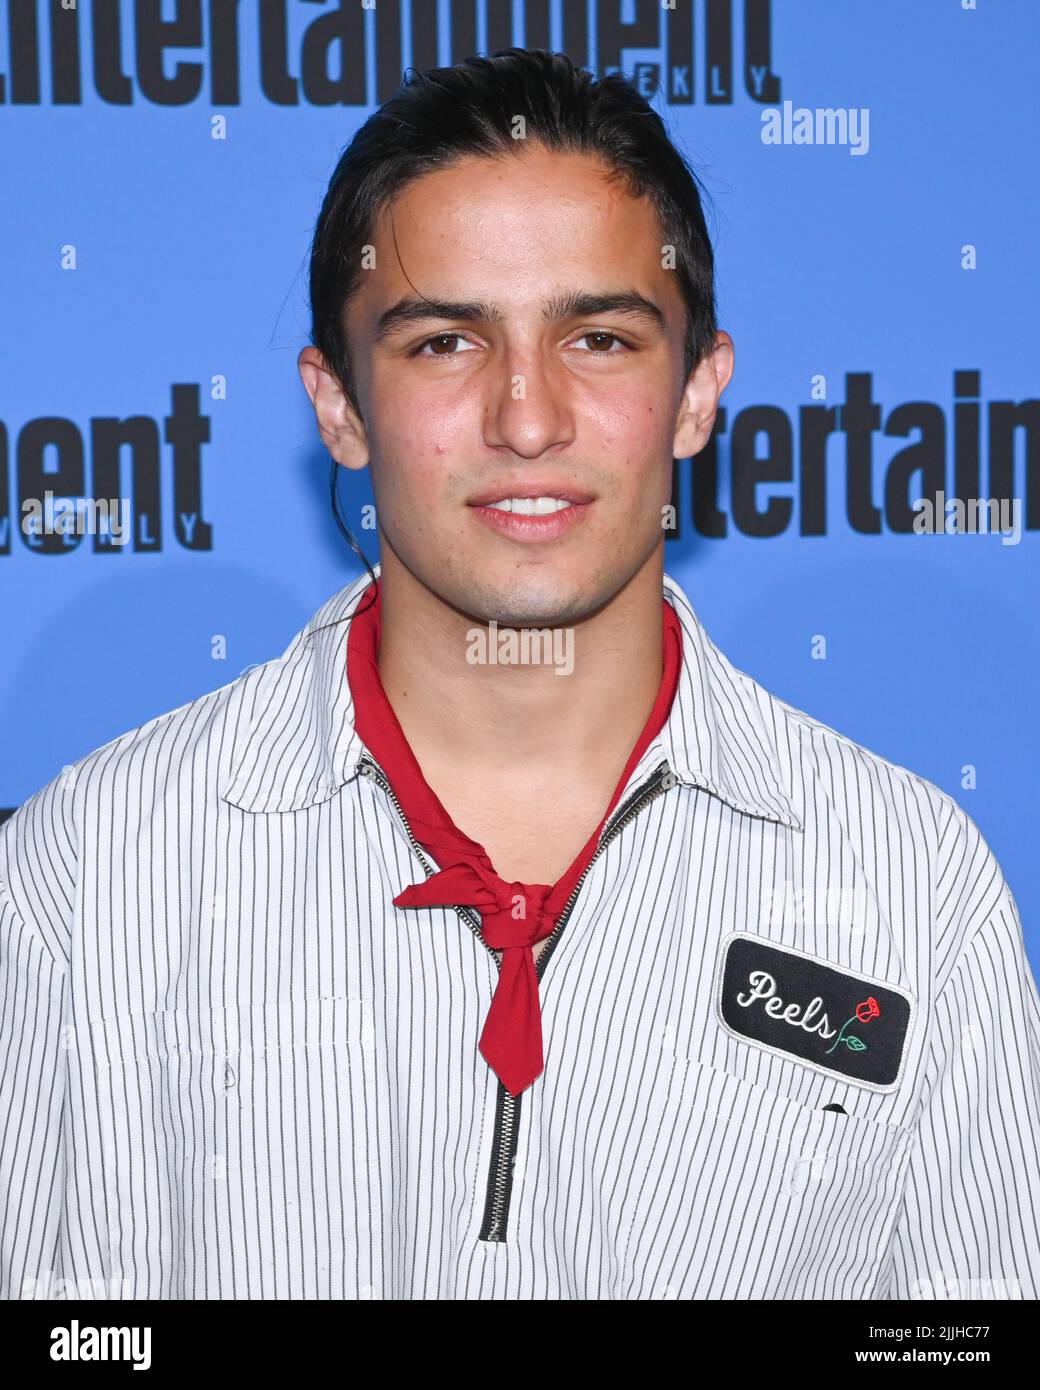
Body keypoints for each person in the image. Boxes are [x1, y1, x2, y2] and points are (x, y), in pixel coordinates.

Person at [2, 48, 1038, 1302]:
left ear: (698, 392)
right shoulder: (88, 869)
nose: (527, 417)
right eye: (443, 343)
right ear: (337, 408)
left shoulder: (914, 887)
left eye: (598, 337)